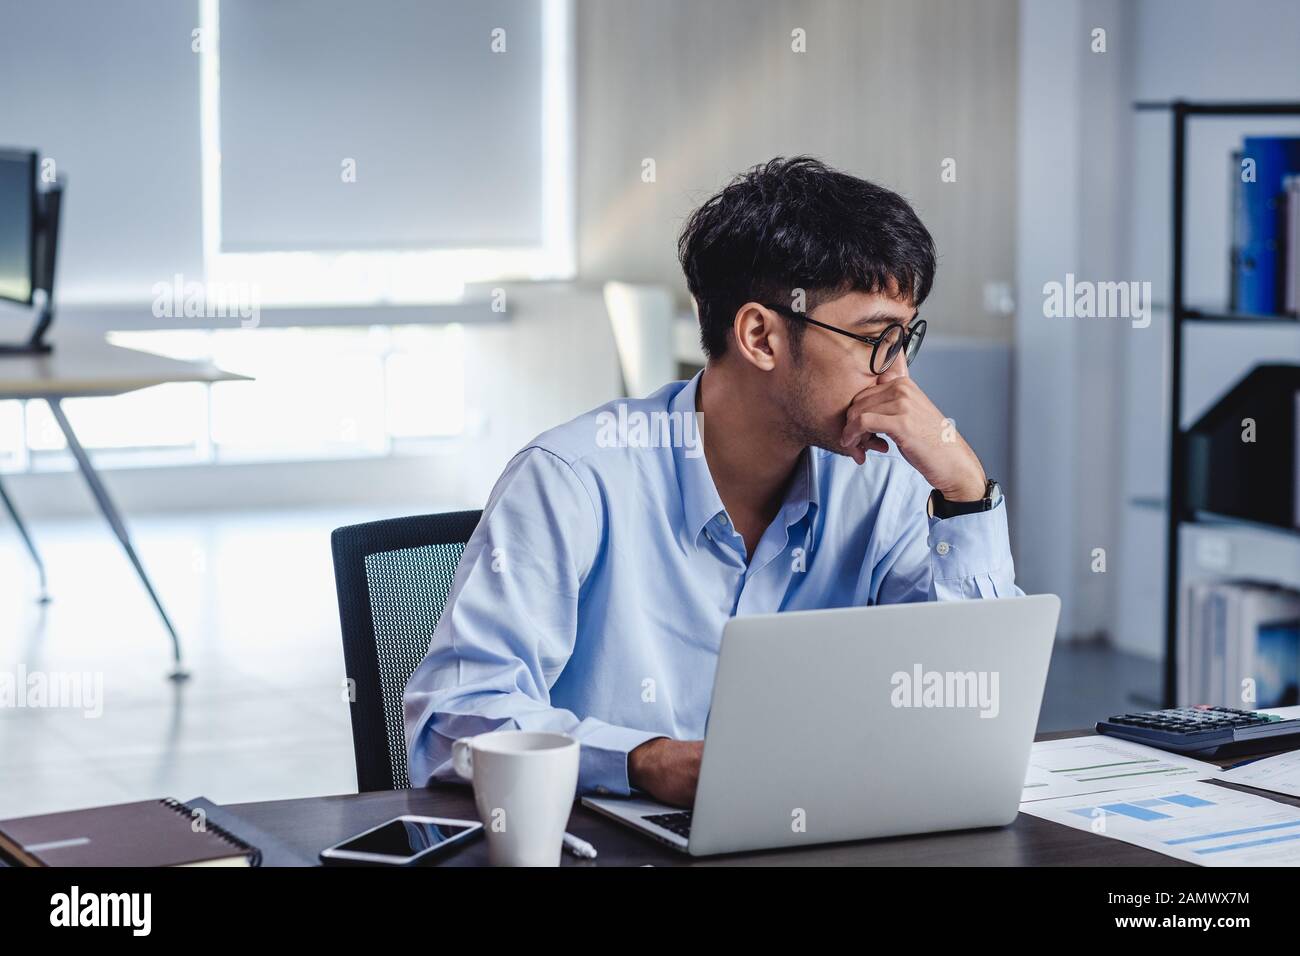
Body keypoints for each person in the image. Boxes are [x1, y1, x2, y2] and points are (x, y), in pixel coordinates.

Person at [404, 156, 1020, 808]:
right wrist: (639, 761)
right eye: (875, 339)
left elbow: (972, 708)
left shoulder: (884, 485)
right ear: (759, 335)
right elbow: (451, 721)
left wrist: (964, 493)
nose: (898, 379)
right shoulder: (574, 482)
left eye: (905, 340)